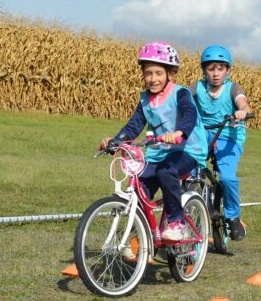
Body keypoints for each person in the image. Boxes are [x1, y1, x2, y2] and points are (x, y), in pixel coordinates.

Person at [101, 41, 207, 242]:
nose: (153, 79)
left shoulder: (180, 93)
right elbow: (134, 125)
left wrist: (179, 132)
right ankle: (142, 235)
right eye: (148, 73)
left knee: (166, 171)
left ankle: (178, 223)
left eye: (158, 73)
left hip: (187, 149)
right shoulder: (145, 100)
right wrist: (116, 141)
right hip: (158, 152)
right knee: (139, 186)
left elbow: (189, 114)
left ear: (170, 74)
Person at [190, 45, 252, 241]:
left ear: (227, 70)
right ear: (204, 70)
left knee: (226, 178)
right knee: (188, 172)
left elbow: (243, 102)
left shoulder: (233, 88)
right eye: (211, 68)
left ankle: (233, 216)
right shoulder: (197, 87)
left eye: (220, 68)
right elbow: (179, 98)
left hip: (228, 135)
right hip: (202, 134)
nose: (215, 74)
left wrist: (242, 111)